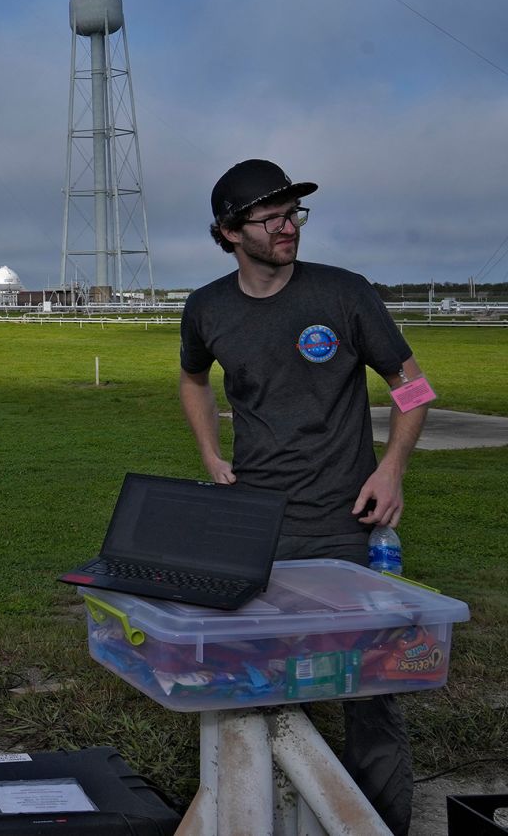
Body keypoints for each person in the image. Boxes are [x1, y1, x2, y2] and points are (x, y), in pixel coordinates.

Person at [178, 159, 428, 834]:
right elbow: (193, 381)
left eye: (294, 214)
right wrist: (209, 452)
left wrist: (392, 469)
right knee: (261, 688)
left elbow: (412, 387)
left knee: (370, 693)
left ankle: (379, 824)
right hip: (257, 529)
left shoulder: (345, 294)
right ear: (230, 233)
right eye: (272, 217)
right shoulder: (207, 308)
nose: (289, 227)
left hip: (348, 526)